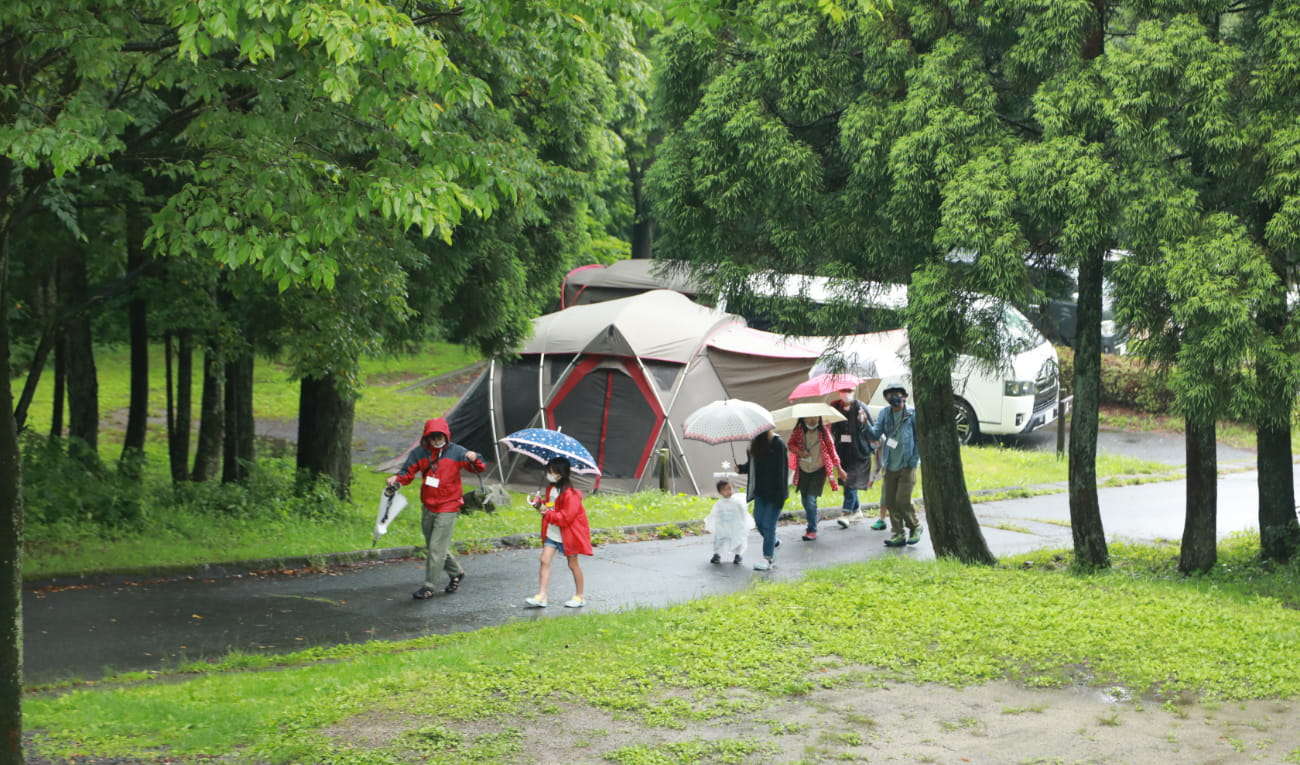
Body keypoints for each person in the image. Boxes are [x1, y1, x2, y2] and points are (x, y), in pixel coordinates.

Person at [387, 418, 486, 599]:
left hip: (449, 505)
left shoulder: (457, 452)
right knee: (433, 545)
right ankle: (456, 573)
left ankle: (429, 586)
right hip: (428, 504)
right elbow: (407, 474)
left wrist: (475, 457)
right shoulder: (420, 453)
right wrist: (396, 479)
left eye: (439, 436)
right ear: (427, 438)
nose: (436, 441)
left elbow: (478, 467)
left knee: (435, 548)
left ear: (446, 436)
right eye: (432, 437)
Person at [524, 457, 593, 608]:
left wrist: (544, 511)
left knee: (573, 564)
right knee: (544, 560)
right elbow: (551, 507)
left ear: (561, 474)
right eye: (548, 471)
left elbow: (565, 518)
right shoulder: (551, 489)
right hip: (552, 532)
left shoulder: (571, 494)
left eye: (552, 472)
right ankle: (542, 595)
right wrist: (540, 504)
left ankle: (580, 596)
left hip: (568, 535)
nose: (549, 474)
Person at [867, 381, 923, 548]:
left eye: (897, 393)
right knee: (890, 501)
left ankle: (915, 527)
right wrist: (864, 424)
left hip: (907, 464)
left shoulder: (912, 414)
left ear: (905, 396)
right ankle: (898, 534)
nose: (894, 397)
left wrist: (914, 460)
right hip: (890, 463)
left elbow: (920, 438)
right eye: (890, 394)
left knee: (902, 500)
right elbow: (875, 434)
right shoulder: (885, 413)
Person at [829, 387, 880, 531]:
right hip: (843, 451)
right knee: (847, 481)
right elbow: (832, 427)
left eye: (849, 391)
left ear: (853, 391)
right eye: (843, 391)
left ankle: (845, 513)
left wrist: (862, 422)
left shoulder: (860, 407)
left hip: (859, 451)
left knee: (850, 480)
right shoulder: (834, 407)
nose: (846, 394)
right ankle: (857, 511)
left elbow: (872, 430)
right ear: (839, 392)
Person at [787, 416, 845, 541]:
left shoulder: (824, 432)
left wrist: (839, 469)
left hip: (819, 470)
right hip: (803, 469)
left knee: (810, 499)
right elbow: (790, 445)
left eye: (815, 418)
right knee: (804, 499)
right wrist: (800, 452)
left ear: (819, 419)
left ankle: (811, 529)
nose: (812, 421)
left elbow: (832, 451)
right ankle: (815, 515)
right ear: (803, 419)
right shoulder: (798, 431)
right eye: (809, 419)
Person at [738, 429, 788, 570]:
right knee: (759, 523)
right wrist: (741, 468)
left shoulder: (778, 444)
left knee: (768, 525)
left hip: (776, 493)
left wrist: (780, 497)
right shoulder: (756, 444)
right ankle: (774, 541)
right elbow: (753, 466)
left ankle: (768, 559)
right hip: (760, 492)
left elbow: (782, 472)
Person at [705, 478, 753, 565]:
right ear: (720, 492)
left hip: (736, 525)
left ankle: (738, 555)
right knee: (719, 539)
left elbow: (743, 512)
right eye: (725, 490)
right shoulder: (719, 503)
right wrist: (713, 521)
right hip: (723, 525)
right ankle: (717, 554)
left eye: (729, 488)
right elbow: (714, 513)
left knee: (738, 538)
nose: (728, 491)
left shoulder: (737, 501)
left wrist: (743, 522)